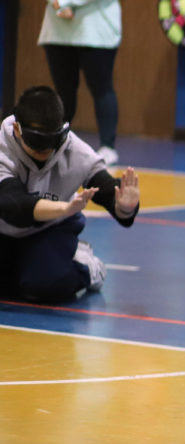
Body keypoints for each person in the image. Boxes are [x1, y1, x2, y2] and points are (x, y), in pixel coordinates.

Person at [0, 85, 138, 303]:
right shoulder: (2, 147)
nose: (43, 155)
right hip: (6, 227)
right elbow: (12, 204)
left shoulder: (75, 150)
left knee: (45, 286)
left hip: (50, 229)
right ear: (17, 130)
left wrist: (124, 208)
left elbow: (106, 190)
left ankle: (86, 266)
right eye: (36, 148)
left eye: (49, 148)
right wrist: (64, 208)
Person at [38, 0, 121, 165]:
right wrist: (58, 4)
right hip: (58, 32)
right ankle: (56, 142)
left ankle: (107, 146)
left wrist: (65, 2)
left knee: (101, 89)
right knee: (63, 92)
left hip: (96, 30)